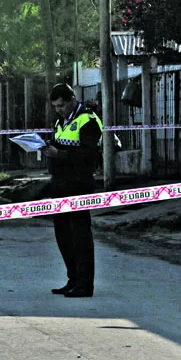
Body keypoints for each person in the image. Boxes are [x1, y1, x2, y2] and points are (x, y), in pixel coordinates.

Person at [43, 83, 103, 298]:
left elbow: (90, 155)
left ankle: (85, 284)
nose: (58, 110)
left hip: (79, 184)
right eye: (55, 107)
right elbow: (60, 143)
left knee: (80, 236)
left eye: (61, 105)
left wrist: (60, 155)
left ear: (72, 100)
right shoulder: (61, 120)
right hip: (60, 184)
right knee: (63, 235)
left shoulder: (88, 120)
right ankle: (73, 279)